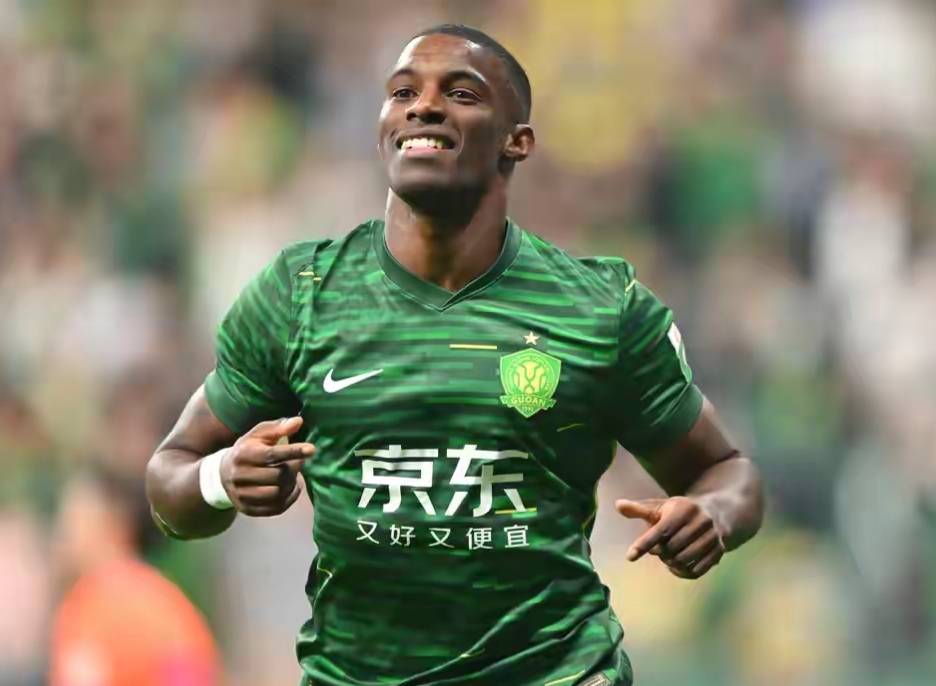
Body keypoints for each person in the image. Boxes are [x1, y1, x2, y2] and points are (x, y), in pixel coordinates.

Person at [146, 24, 763, 686]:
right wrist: (221, 478)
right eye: (402, 92)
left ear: (516, 141)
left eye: (460, 93)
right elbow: (167, 479)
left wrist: (711, 517)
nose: (424, 107)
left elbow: (726, 472)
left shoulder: (600, 310)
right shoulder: (300, 295)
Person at [52, 466, 220, 686]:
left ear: (112, 521)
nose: (63, 532)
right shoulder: (166, 601)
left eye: (74, 518)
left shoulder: (92, 603)